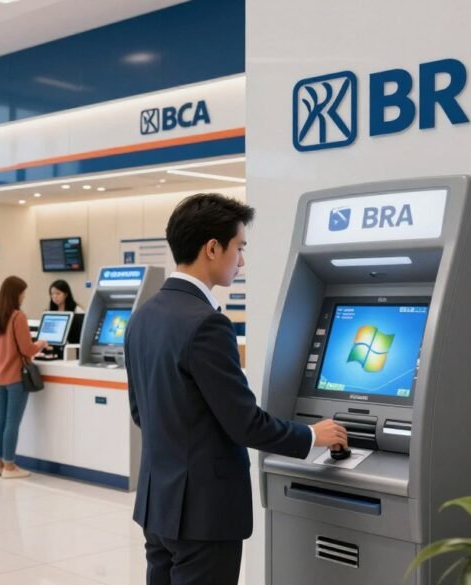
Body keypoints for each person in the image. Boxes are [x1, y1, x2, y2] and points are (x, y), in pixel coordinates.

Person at [124, 193, 348, 585]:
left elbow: (141, 412)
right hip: (204, 515)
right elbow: (244, 423)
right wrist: (313, 435)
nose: (241, 261)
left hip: (158, 505)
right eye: (239, 248)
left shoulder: (143, 315)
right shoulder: (207, 324)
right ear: (212, 248)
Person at [0, 276, 48, 479]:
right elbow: (27, 349)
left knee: (1, 420)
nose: (23, 297)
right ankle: (10, 467)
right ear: (16, 294)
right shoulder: (17, 317)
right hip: (15, 377)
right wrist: (41, 344)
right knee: (12, 422)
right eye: (22, 293)